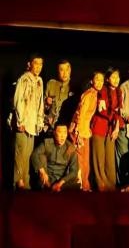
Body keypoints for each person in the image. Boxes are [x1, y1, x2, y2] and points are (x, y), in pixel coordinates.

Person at [11, 53, 45, 189]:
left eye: (41, 64)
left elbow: (40, 103)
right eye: (36, 63)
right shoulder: (24, 79)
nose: (38, 67)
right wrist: (20, 121)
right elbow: (18, 100)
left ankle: (25, 181)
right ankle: (18, 180)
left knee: (28, 153)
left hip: (32, 122)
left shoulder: (39, 81)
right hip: (23, 121)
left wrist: (39, 120)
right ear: (30, 64)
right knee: (20, 152)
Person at [90, 68, 124, 191]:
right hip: (99, 125)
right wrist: (114, 118)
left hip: (111, 128)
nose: (116, 80)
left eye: (117, 77)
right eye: (113, 77)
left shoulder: (119, 91)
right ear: (108, 79)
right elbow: (102, 110)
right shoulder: (102, 90)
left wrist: (116, 128)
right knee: (99, 157)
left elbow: (119, 111)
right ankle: (100, 184)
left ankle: (111, 185)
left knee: (110, 158)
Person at [70, 72, 104, 191]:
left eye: (101, 80)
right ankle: (80, 186)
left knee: (85, 160)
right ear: (92, 81)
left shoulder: (95, 95)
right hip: (79, 130)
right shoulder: (89, 94)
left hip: (85, 130)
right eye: (97, 79)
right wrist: (78, 132)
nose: (99, 82)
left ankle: (85, 185)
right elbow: (80, 113)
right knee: (80, 160)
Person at [30, 124, 79, 191]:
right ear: (54, 133)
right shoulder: (47, 143)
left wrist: (60, 183)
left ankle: (56, 188)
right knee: (41, 156)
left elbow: (74, 171)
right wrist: (42, 172)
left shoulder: (70, 147)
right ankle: (48, 187)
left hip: (62, 180)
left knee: (76, 182)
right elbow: (34, 155)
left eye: (65, 132)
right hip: (47, 177)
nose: (62, 136)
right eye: (60, 132)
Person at [44, 59, 72, 131]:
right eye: (61, 70)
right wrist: (46, 102)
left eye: (67, 70)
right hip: (50, 126)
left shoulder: (74, 86)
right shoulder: (51, 84)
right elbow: (42, 106)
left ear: (70, 70)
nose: (65, 73)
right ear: (58, 71)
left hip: (66, 128)